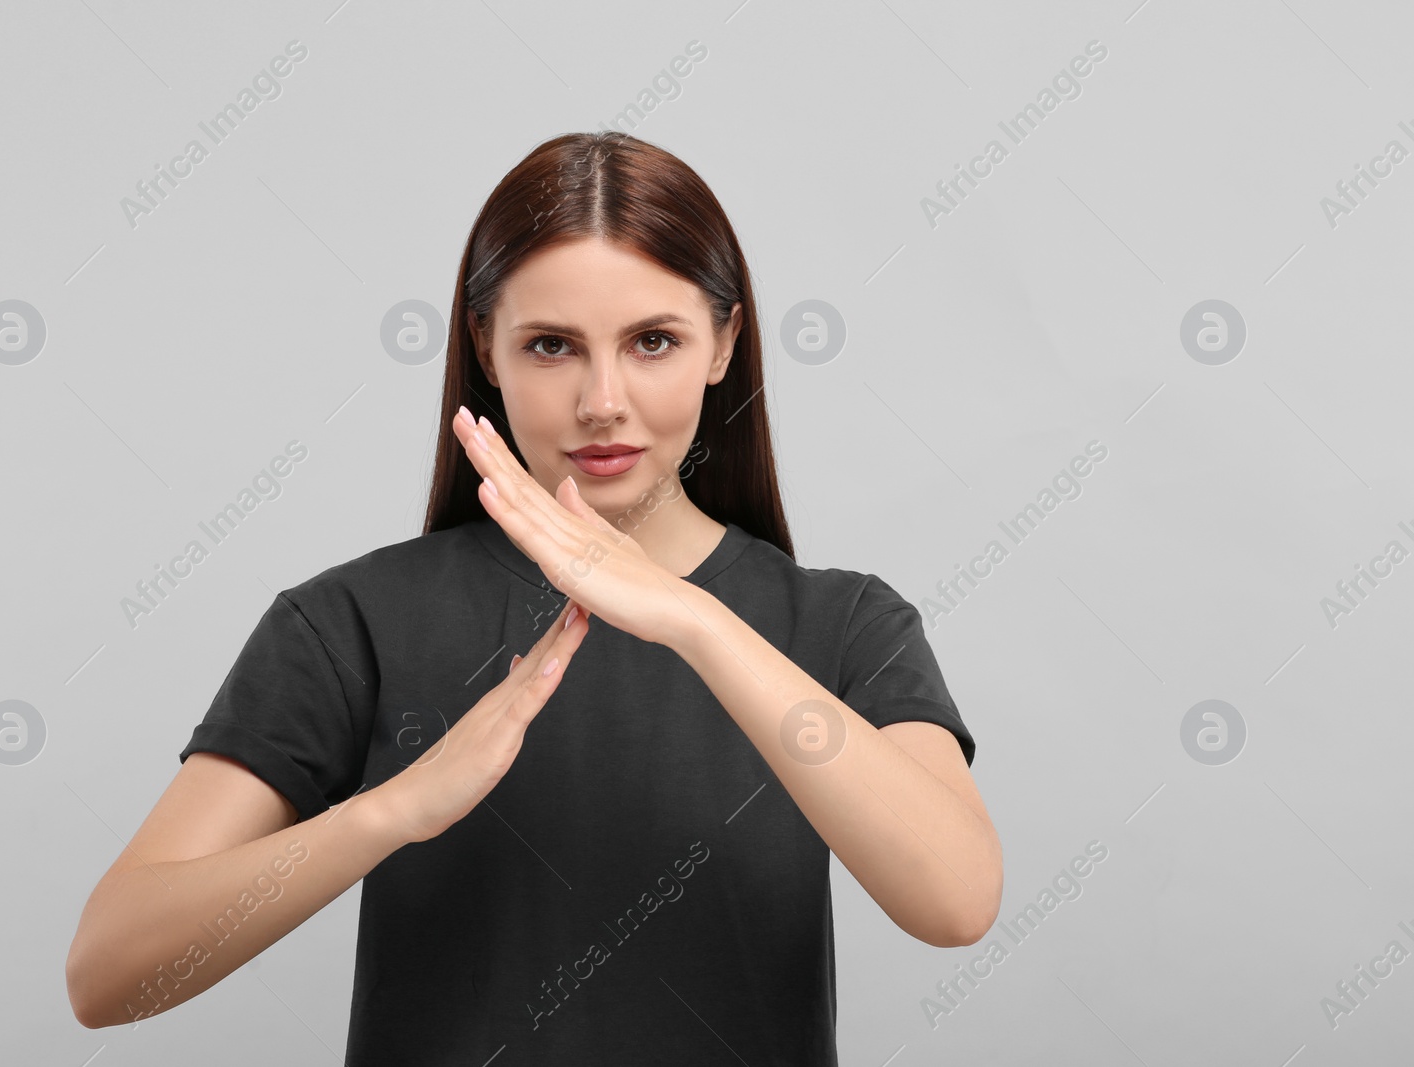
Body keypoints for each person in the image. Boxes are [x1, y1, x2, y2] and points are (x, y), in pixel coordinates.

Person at [65, 131, 1002, 1063]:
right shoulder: (352, 623)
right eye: (551, 345)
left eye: (653, 342)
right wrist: (388, 812)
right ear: (485, 346)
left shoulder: (845, 627)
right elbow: (106, 973)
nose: (602, 400)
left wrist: (694, 619)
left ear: (724, 342)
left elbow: (957, 902)